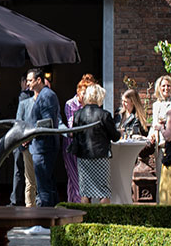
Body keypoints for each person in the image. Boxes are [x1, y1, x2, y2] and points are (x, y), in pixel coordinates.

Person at [72, 83, 120, 203]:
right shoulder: (104, 115)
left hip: (83, 156)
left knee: (85, 192)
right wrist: (119, 133)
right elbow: (115, 137)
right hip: (100, 156)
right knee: (103, 192)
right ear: (100, 97)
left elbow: (74, 135)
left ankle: (85, 220)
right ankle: (102, 220)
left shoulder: (78, 115)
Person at [25, 67, 62, 207]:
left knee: (44, 187)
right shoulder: (44, 94)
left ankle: (43, 223)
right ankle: (51, 222)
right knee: (48, 185)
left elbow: (48, 123)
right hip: (43, 147)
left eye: (30, 80)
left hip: (43, 147)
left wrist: (30, 134)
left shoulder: (46, 95)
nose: (27, 83)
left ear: (38, 80)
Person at [62, 73, 96, 203]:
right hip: (72, 145)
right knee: (75, 179)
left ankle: (72, 205)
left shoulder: (90, 105)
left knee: (79, 179)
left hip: (86, 146)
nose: (85, 97)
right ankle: (79, 209)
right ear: (78, 91)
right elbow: (72, 126)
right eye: (83, 93)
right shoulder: (70, 104)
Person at [10, 74, 36, 206]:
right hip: (25, 138)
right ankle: (20, 199)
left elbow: (21, 120)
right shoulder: (32, 96)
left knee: (21, 171)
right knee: (25, 172)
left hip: (22, 138)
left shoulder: (25, 96)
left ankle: (17, 200)